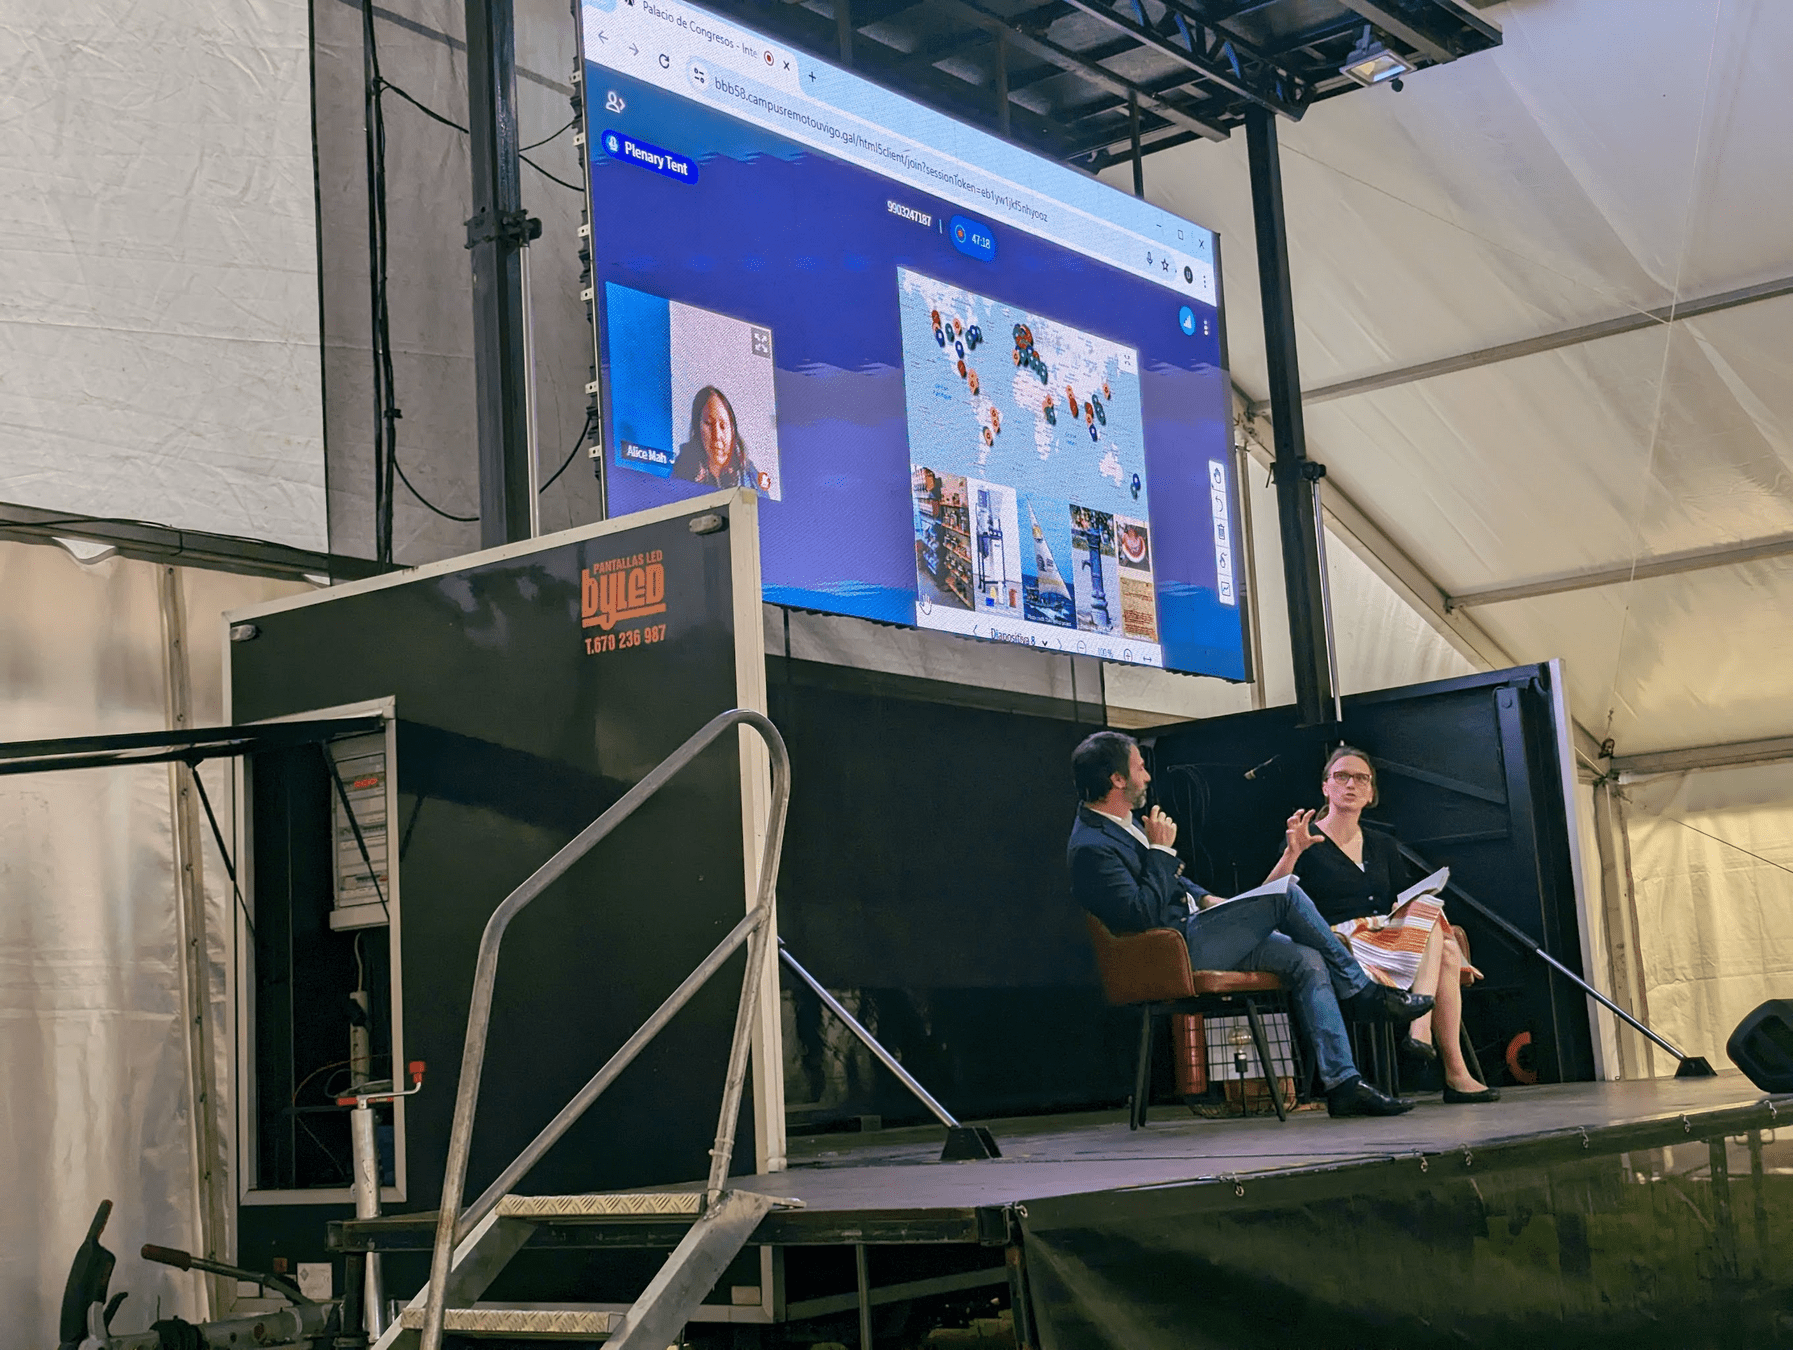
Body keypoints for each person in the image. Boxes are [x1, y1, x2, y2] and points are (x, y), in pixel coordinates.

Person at [1067, 731, 1434, 1119]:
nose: (1147, 777)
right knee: (1286, 893)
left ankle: (1343, 1084)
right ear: (1117, 779)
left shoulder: (1123, 824)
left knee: (1307, 960)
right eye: (1140, 768)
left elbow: (1174, 883)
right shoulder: (1091, 845)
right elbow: (1138, 915)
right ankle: (1362, 991)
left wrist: (1209, 899)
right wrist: (1159, 850)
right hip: (1171, 951)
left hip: (1196, 930)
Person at [1265, 746, 1499, 1105]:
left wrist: (1406, 913)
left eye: (1361, 778)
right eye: (1342, 776)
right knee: (1445, 948)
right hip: (1339, 942)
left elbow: (1399, 898)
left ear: (1371, 792)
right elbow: (1270, 899)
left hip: (1385, 937)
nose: (1351, 784)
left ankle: (1441, 1053)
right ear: (1326, 787)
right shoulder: (1304, 839)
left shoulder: (1382, 843)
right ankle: (1441, 1056)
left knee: (1435, 927)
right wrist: (1291, 853)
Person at [672, 386, 765, 492]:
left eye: (723, 425)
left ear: (732, 430)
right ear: (697, 428)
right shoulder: (680, 473)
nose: (717, 435)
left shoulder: (750, 475)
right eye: (709, 423)